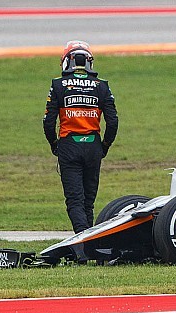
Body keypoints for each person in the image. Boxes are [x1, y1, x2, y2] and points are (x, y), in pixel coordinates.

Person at [43, 40, 118, 233]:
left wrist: (54, 144)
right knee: (88, 201)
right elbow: (113, 122)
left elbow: (48, 122)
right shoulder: (102, 87)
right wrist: (105, 146)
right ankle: (87, 242)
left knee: (75, 200)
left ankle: (83, 246)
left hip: (69, 146)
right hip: (93, 146)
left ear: (67, 61)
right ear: (89, 62)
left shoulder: (58, 85)